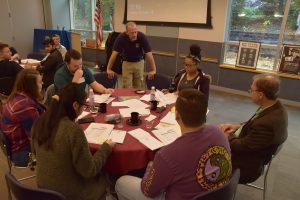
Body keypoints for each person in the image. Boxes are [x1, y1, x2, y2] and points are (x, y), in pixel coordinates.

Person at [115, 89, 232, 200]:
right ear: (204, 113)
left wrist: (150, 167)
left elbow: (148, 190)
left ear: (176, 115)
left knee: (121, 182)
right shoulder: (219, 133)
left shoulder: (166, 155)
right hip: (218, 194)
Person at [31, 83, 115, 200]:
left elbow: (35, 154)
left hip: (44, 189)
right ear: (75, 105)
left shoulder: (39, 122)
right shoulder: (73, 130)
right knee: (109, 176)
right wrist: (106, 147)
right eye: (83, 105)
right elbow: (89, 170)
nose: (83, 108)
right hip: (70, 194)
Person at [219, 74, 288, 184]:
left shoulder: (267, 124)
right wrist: (236, 126)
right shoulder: (275, 107)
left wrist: (226, 136)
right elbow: (253, 123)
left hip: (244, 167)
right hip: (252, 155)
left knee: (204, 155)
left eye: (251, 90)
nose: (250, 92)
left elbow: (242, 146)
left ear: (261, 95)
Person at [0, 69, 45, 166]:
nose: (43, 83)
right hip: (22, 152)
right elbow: (38, 138)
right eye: (40, 82)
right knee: (64, 149)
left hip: (15, 146)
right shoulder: (26, 107)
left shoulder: (17, 96)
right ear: (31, 86)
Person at [107, 21, 156, 88]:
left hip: (139, 62)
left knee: (138, 86)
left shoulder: (142, 37)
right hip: (127, 63)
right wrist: (109, 69)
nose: (134, 34)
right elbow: (114, 54)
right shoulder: (121, 37)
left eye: (135, 32)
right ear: (127, 32)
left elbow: (149, 54)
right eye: (132, 33)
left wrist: (153, 69)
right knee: (127, 86)